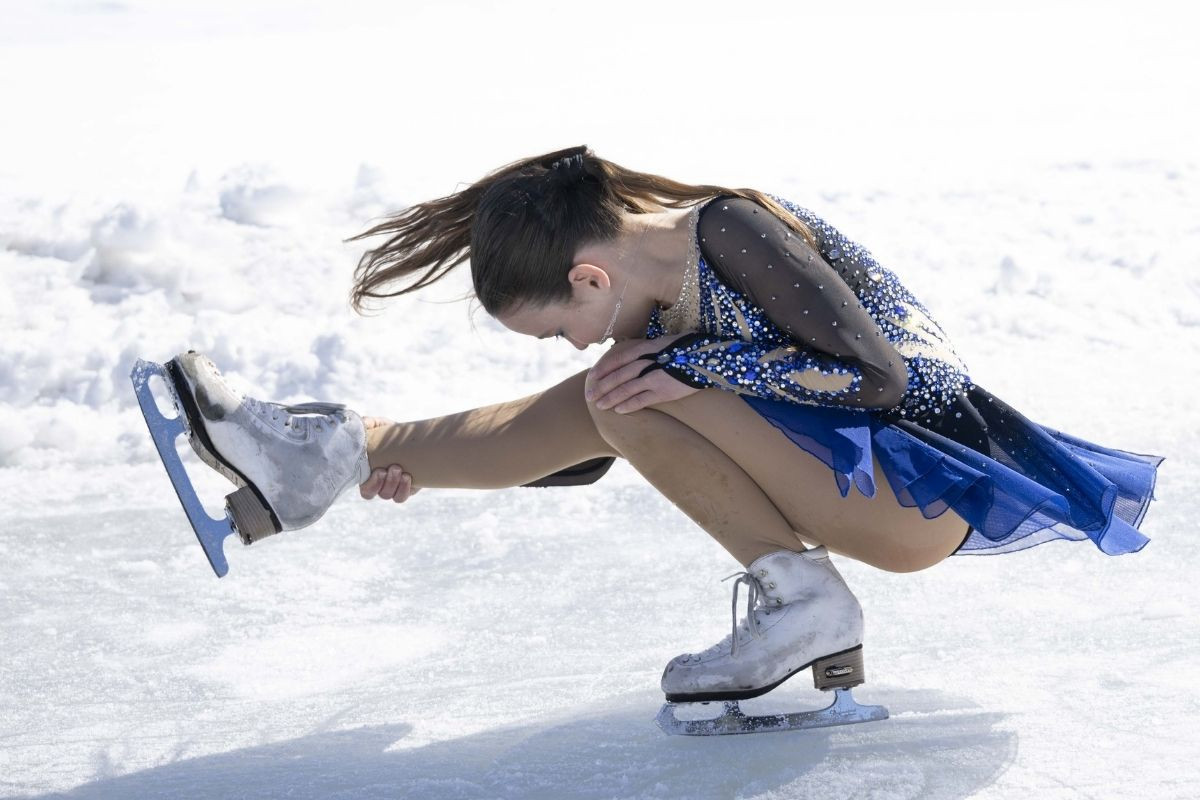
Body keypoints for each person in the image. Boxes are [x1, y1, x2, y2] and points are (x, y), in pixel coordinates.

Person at [164, 144, 1164, 707]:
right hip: (859, 482)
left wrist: (691, 365)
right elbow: (601, 447)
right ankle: (338, 456)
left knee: (622, 386)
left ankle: (804, 604)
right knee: (616, 394)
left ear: (588, 276)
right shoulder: (652, 296)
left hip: (915, 489)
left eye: (560, 324)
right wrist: (425, 472)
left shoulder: (728, 230)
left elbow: (876, 376)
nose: (567, 343)